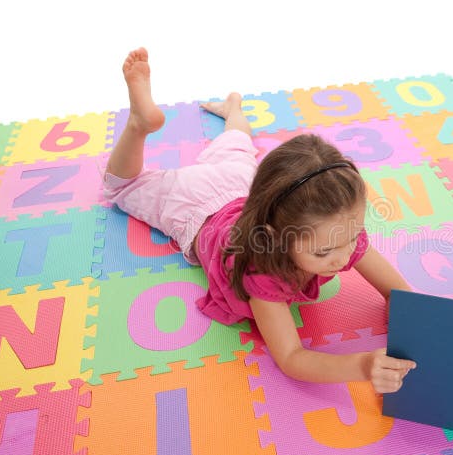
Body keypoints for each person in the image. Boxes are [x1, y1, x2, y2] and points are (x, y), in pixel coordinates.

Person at [104, 47, 417, 394]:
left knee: (237, 143)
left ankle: (232, 109)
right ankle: (138, 124)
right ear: (275, 237)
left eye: (352, 235)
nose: (344, 256)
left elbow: (399, 292)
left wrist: (406, 316)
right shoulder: (261, 270)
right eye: (325, 252)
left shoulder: (331, 228)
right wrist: (361, 364)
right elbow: (292, 357)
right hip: (196, 206)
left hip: (238, 184)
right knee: (123, 186)